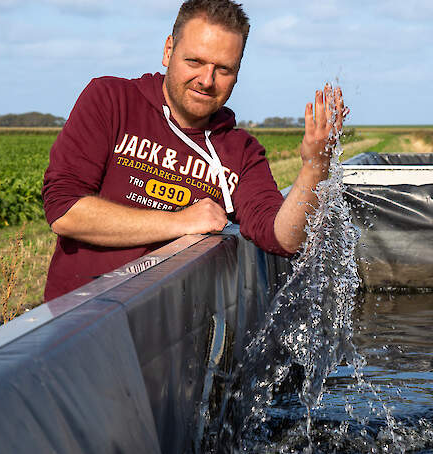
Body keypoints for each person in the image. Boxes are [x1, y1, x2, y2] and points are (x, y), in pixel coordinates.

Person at [41, 0, 346, 301]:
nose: (206, 80)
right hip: (83, 321)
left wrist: (314, 166)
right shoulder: (111, 101)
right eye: (195, 62)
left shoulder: (242, 152)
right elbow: (64, 210)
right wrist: (180, 221)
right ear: (168, 50)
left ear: (238, 72)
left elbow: (283, 237)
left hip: (178, 333)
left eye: (223, 69)